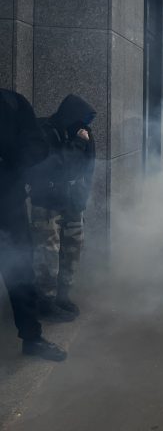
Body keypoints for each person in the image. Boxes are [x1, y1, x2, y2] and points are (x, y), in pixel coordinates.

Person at [0, 89, 67, 360]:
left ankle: (32, 337)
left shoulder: (11, 102)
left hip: (7, 202)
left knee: (20, 271)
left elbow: (37, 146)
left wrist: (10, 165)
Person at [28, 94, 96, 322]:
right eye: (82, 119)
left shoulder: (84, 132)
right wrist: (78, 143)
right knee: (47, 253)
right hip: (47, 202)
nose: (85, 125)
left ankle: (62, 296)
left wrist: (84, 194)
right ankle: (45, 301)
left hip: (73, 202)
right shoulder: (46, 130)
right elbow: (55, 167)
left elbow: (89, 165)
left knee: (73, 249)